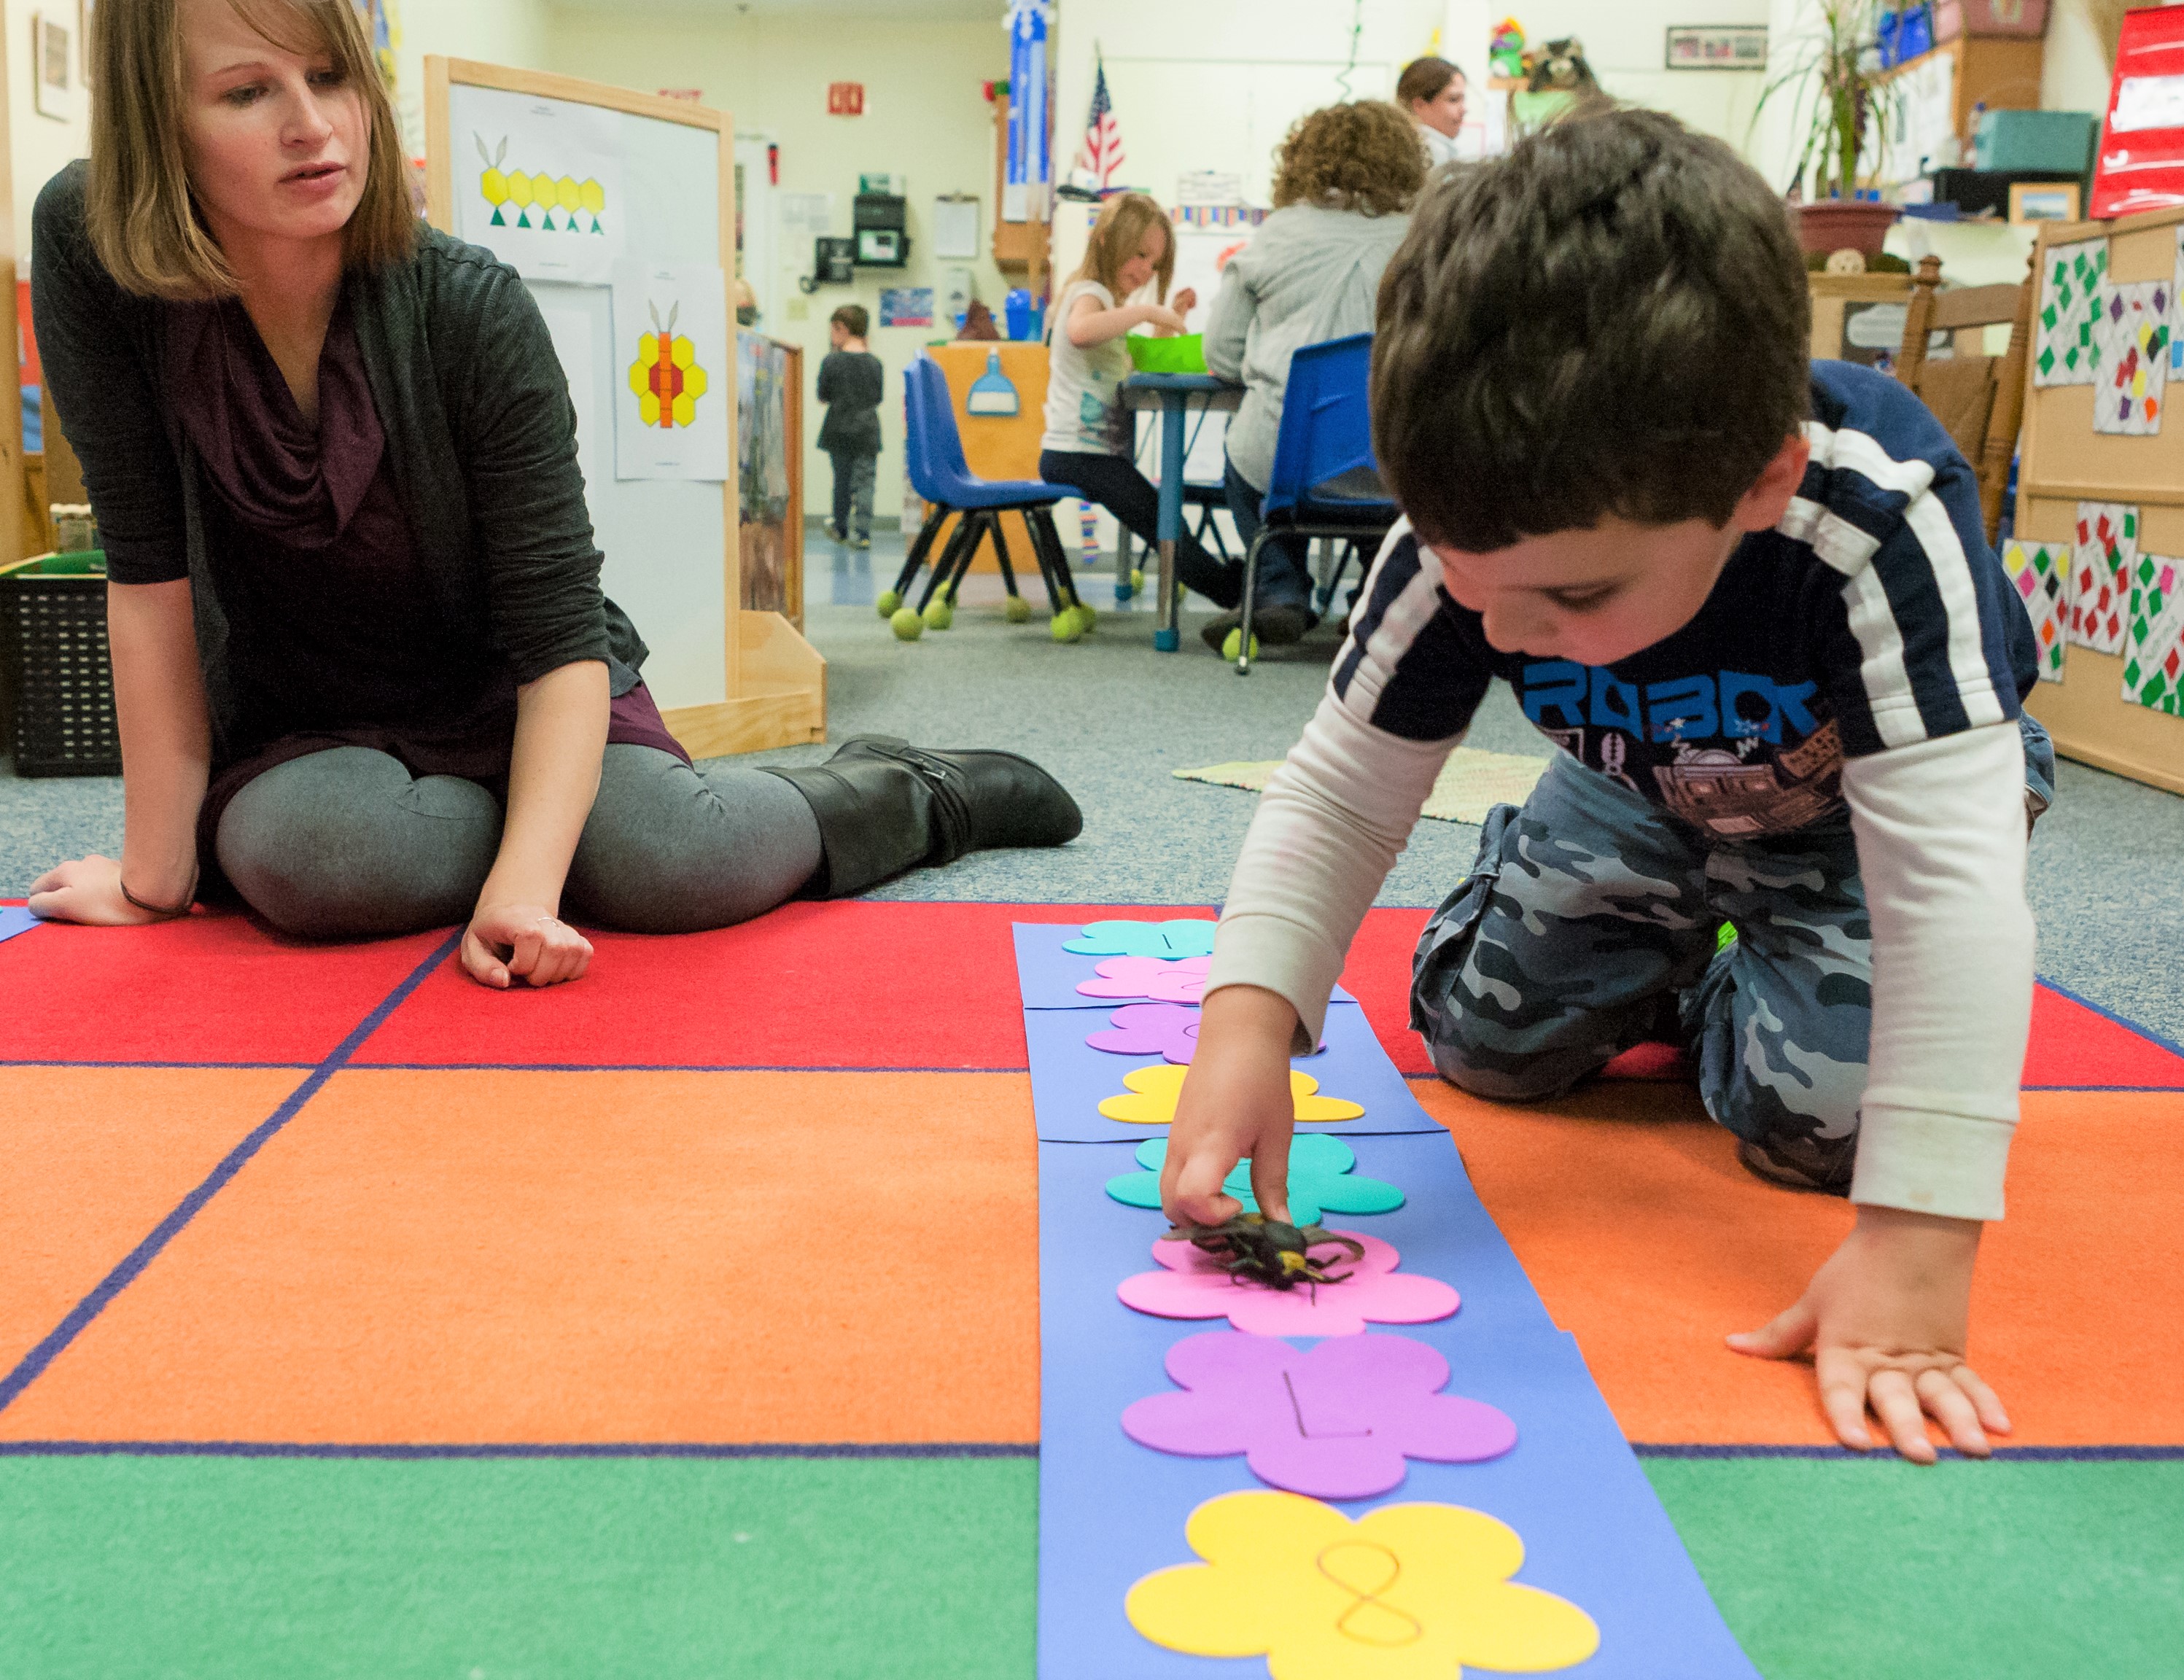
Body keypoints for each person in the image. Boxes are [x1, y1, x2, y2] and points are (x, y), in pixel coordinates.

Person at [1162, 109, 2059, 1465]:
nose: (1509, 633)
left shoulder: (1872, 517)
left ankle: (1744, 973)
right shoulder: (1485, 517)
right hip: (1633, 791)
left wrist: (1920, 1259)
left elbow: (1951, 883)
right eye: (1477, 590)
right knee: (1482, 1046)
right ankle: (1679, 951)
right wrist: (1246, 1017)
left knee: (1827, 1128)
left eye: (1572, 594)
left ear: (1757, 484)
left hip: (1856, 822)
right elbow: (1344, 786)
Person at [25, 0, 1080, 987]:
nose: (315, 126)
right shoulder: (89, 244)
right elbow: (145, 565)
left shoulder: (468, 305)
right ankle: (556, 824)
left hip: (520, 677)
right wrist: (153, 880)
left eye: (332, 76)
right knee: (319, 867)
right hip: (311, 714)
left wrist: (524, 894)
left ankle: (912, 788)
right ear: (157, 126)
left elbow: (558, 632)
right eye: (248, 93)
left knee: (671, 864)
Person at [1201, 100, 1424, 653]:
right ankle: (1378, 598)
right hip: (1393, 453)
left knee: (1241, 461)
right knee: (1394, 485)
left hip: (1283, 454)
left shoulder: (1277, 235)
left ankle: (1279, 590)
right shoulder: (1423, 238)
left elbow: (1221, 354)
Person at [1037, 192, 1239, 612]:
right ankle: (1229, 591)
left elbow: (1137, 364)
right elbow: (1079, 331)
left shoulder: (1110, 304)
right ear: (1108, 240)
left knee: (1160, 514)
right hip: (1076, 452)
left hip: (1092, 453)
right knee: (1161, 517)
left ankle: (1227, 584)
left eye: (1155, 263)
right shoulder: (1088, 291)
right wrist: (1146, 313)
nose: (1147, 269)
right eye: (1140, 255)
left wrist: (1171, 312)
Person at [817, 303, 882, 549]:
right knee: (866, 482)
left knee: (842, 481)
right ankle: (863, 534)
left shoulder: (831, 362)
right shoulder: (875, 363)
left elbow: (823, 396)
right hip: (867, 431)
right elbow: (877, 398)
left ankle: (840, 528)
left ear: (841, 328)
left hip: (838, 430)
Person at [1396, 55, 1468, 169]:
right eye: (1453, 99)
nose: (1464, 110)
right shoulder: (1431, 153)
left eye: (1463, 100)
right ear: (1419, 105)